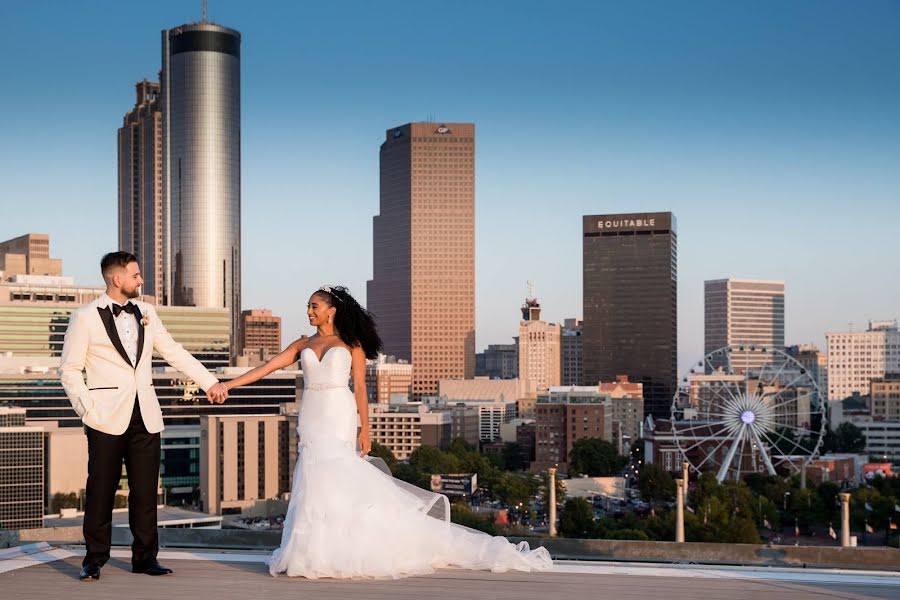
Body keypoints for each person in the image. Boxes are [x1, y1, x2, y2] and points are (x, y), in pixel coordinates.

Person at [224, 285, 552, 579]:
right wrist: (228, 385)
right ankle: (313, 552)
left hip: (339, 413)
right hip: (311, 414)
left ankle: (338, 550)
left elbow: (362, 391)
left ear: (331, 310)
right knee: (312, 478)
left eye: (314, 306)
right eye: (308, 307)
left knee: (337, 474)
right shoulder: (302, 344)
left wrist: (365, 430)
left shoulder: (350, 344)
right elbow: (265, 369)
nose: (309, 312)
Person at [59, 251, 229, 581]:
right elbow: (68, 370)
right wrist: (88, 409)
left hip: (146, 415)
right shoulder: (85, 317)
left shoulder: (148, 312)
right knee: (101, 491)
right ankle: (94, 559)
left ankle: (145, 558)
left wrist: (210, 382)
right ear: (116, 279)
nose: (141, 281)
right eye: (136, 275)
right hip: (104, 417)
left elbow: (174, 351)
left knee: (146, 491)